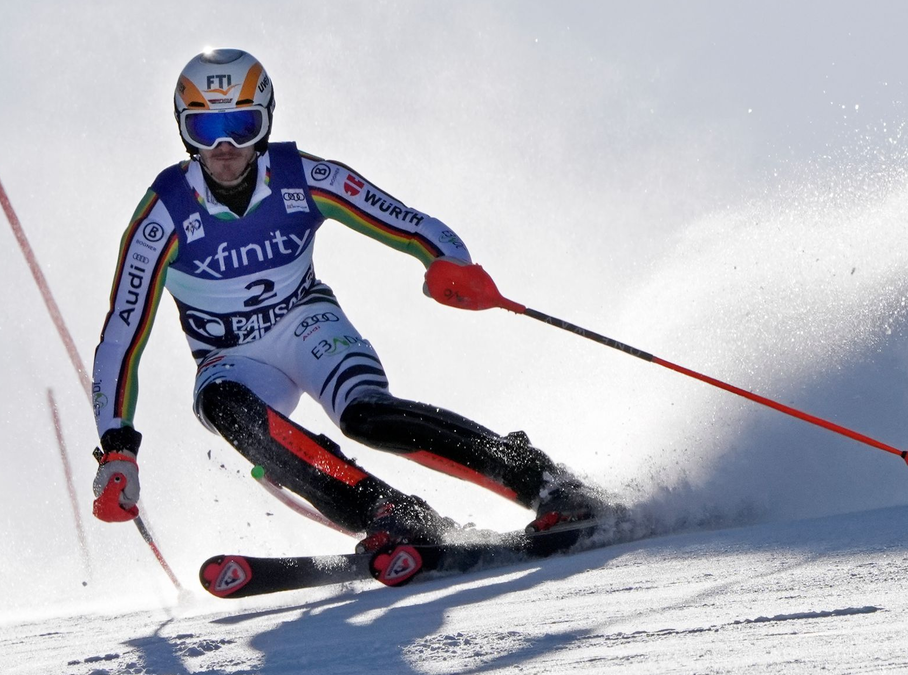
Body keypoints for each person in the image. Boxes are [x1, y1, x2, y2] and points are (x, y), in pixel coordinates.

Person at [89, 49, 598, 583]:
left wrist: (450, 263)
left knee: (366, 417)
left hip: (307, 325)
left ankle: (548, 485)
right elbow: (122, 336)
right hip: (232, 358)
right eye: (206, 128)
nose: (224, 148)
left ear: (265, 122)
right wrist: (116, 449)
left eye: (241, 126)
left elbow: (408, 220)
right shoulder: (162, 215)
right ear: (183, 130)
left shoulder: (301, 176)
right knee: (221, 405)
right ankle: (389, 515)